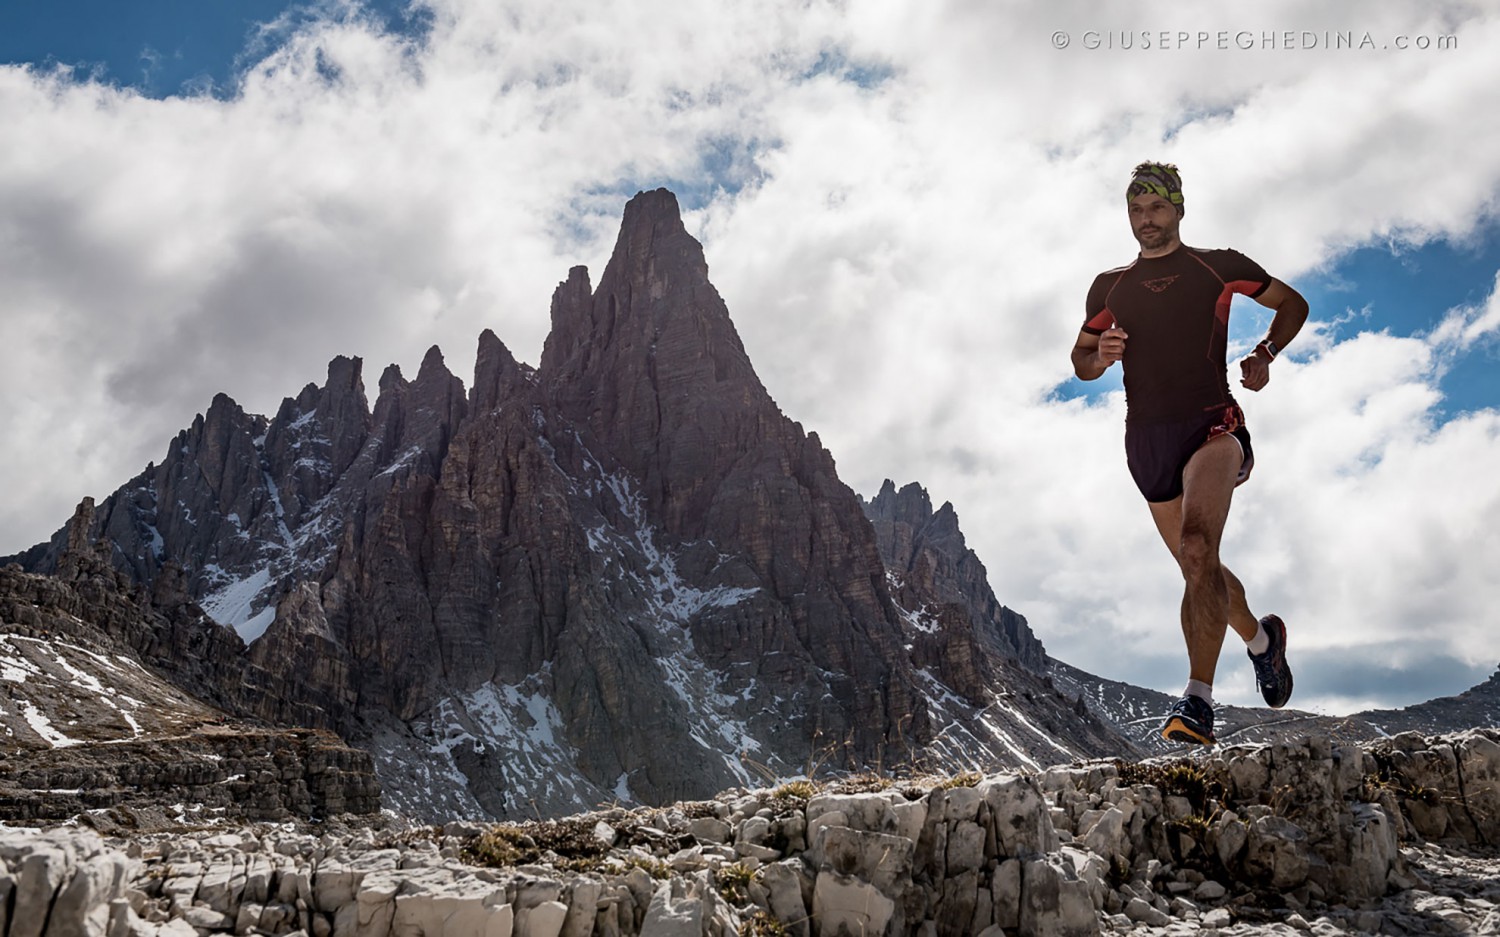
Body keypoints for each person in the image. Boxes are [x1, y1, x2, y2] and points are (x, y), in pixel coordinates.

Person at [1070, 162, 1309, 745]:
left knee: (1199, 545)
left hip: (1213, 423)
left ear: (1178, 208)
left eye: (1154, 207)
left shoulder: (1219, 266)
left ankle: (1197, 703)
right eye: (1135, 210)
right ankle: (1261, 641)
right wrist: (1102, 352)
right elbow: (1080, 363)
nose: (1145, 220)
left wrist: (1265, 353)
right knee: (1196, 565)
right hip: (1146, 437)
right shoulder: (1109, 287)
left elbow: (1293, 305)